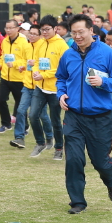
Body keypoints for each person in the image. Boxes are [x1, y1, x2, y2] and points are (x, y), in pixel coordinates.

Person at [55, 14, 112, 214]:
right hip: (74, 116)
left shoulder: (107, 53)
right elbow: (60, 78)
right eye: (74, 33)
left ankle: (111, 181)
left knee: (100, 162)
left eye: (81, 32)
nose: (77, 36)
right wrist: (61, 94)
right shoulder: (68, 55)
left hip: (100, 118)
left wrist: (104, 82)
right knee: (74, 160)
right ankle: (77, 202)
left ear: (91, 31)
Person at [28, 15, 69, 159]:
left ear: (55, 28)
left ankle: (59, 148)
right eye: (42, 30)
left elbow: (63, 69)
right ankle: (41, 143)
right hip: (40, 88)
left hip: (55, 89)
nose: (44, 32)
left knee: (55, 120)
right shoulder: (41, 43)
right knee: (32, 115)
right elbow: (36, 62)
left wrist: (44, 75)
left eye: (47, 29)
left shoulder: (62, 45)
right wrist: (35, 72)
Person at [15, 23, 49, 149]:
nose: (32, 36)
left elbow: (48, 64)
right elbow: (24, 61)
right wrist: (22, 66)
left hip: (40, 87)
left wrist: (36, 63)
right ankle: (19, 138)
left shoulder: (44, 46)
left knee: (42, 115)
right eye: (30, 33)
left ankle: (49, 136)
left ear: (40, 35)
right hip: (27, 85)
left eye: (35, 34)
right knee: (20, 110)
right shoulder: (27, 46)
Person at [0, 19, 30, 146]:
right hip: (5, 77)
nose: (8, 30)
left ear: (17, 29)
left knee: (20, 105)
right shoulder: (5, 41)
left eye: (11, 28)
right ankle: (6, 123)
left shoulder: (23, 42)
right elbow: (3, 56)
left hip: (19, 78)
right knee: (0, 99)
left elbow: (26, 60)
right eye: (6, 28)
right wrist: (0, 64)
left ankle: (25, 126)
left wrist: (15, 64)